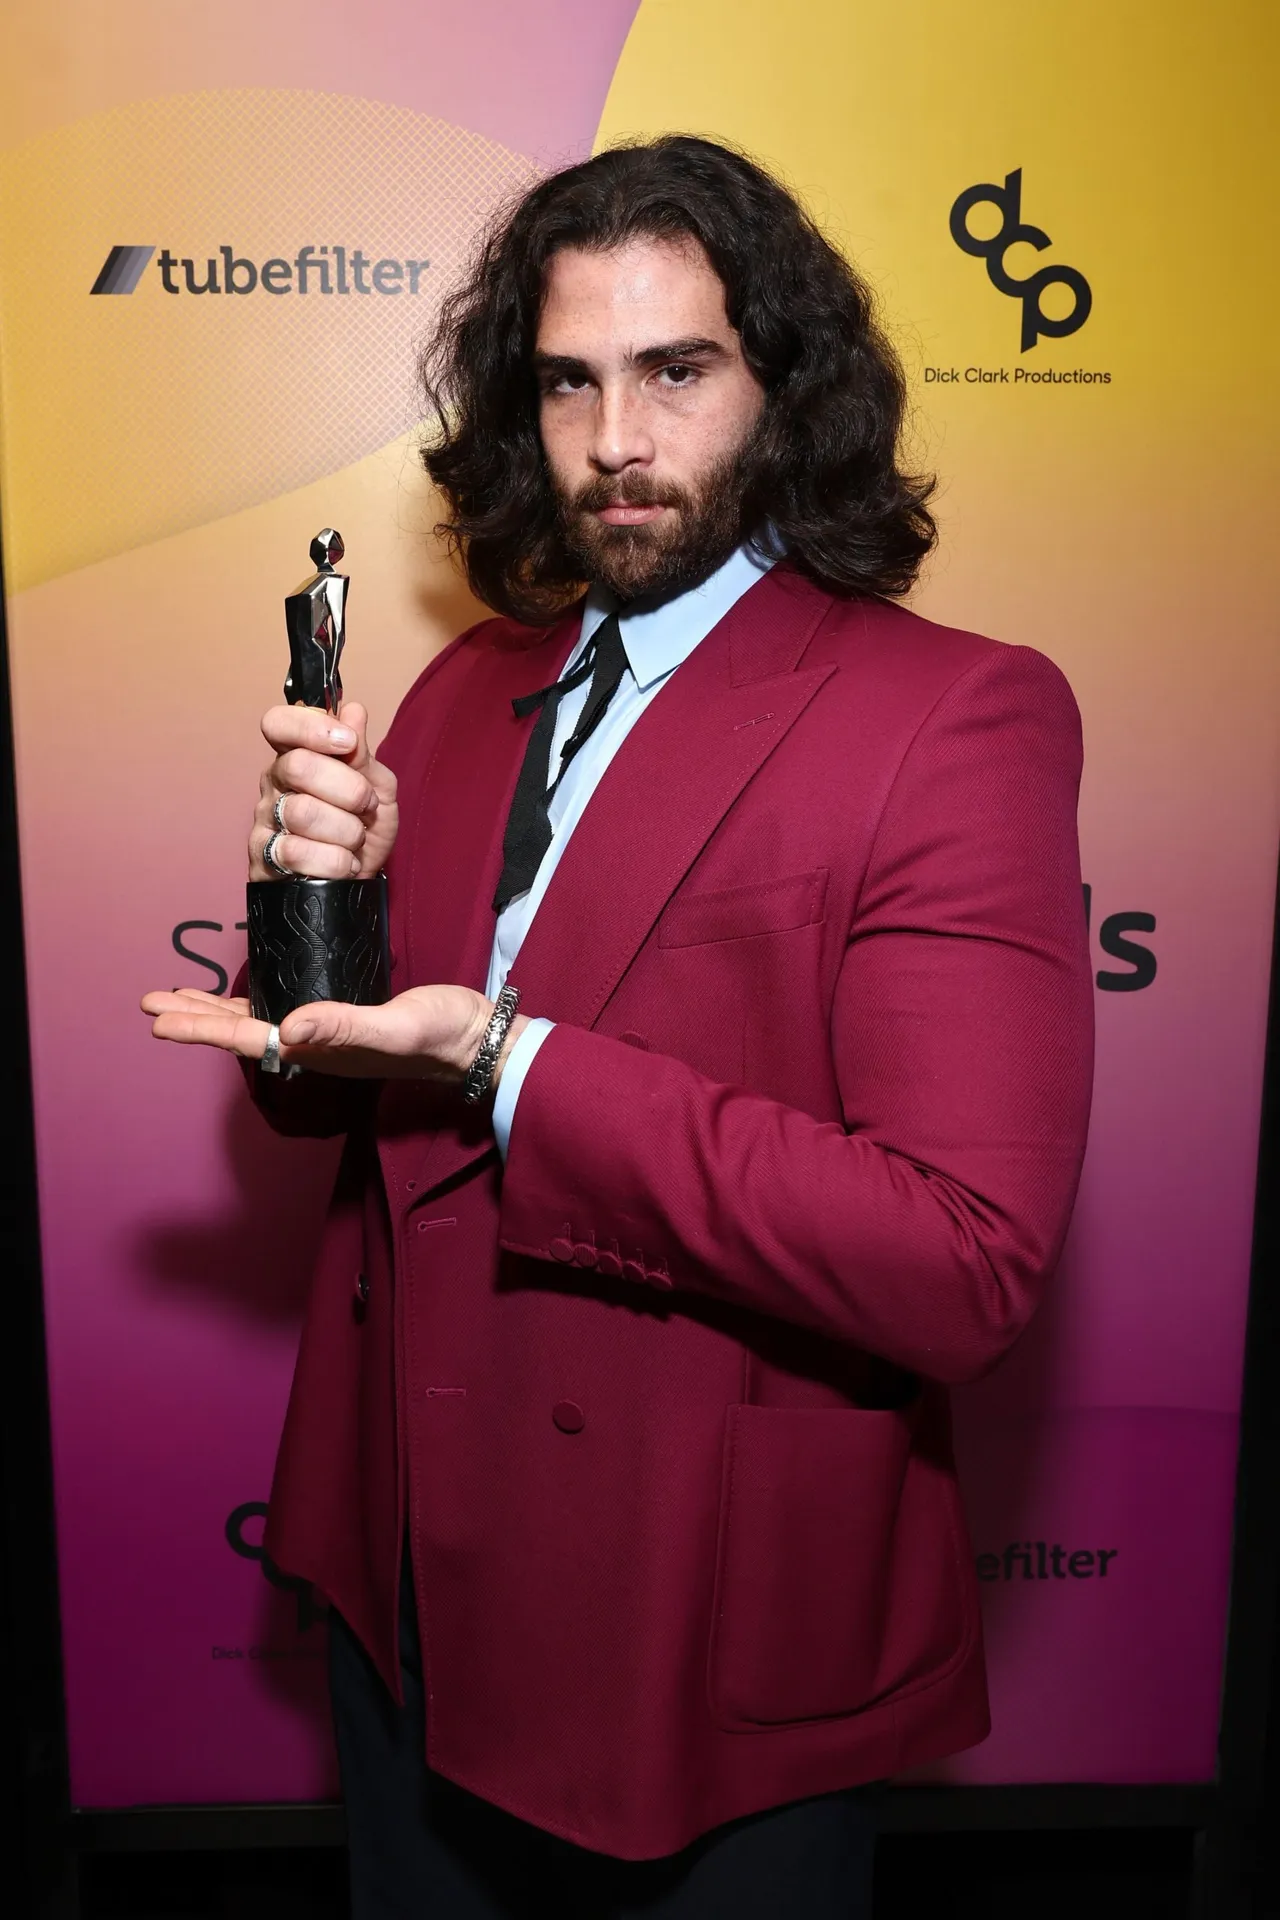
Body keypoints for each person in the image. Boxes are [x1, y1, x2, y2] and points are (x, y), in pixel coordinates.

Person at [143, 135, 1094, 1918]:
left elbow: (962, 1261)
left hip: (687, 1608)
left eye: (678, 372)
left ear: (784, 386)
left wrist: (512, 1061)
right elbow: (346, 1089)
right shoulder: (466, 678)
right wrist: (309, 910)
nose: (618, 443)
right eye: (568, 383)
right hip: (401, 1564)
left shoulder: (952, 713)